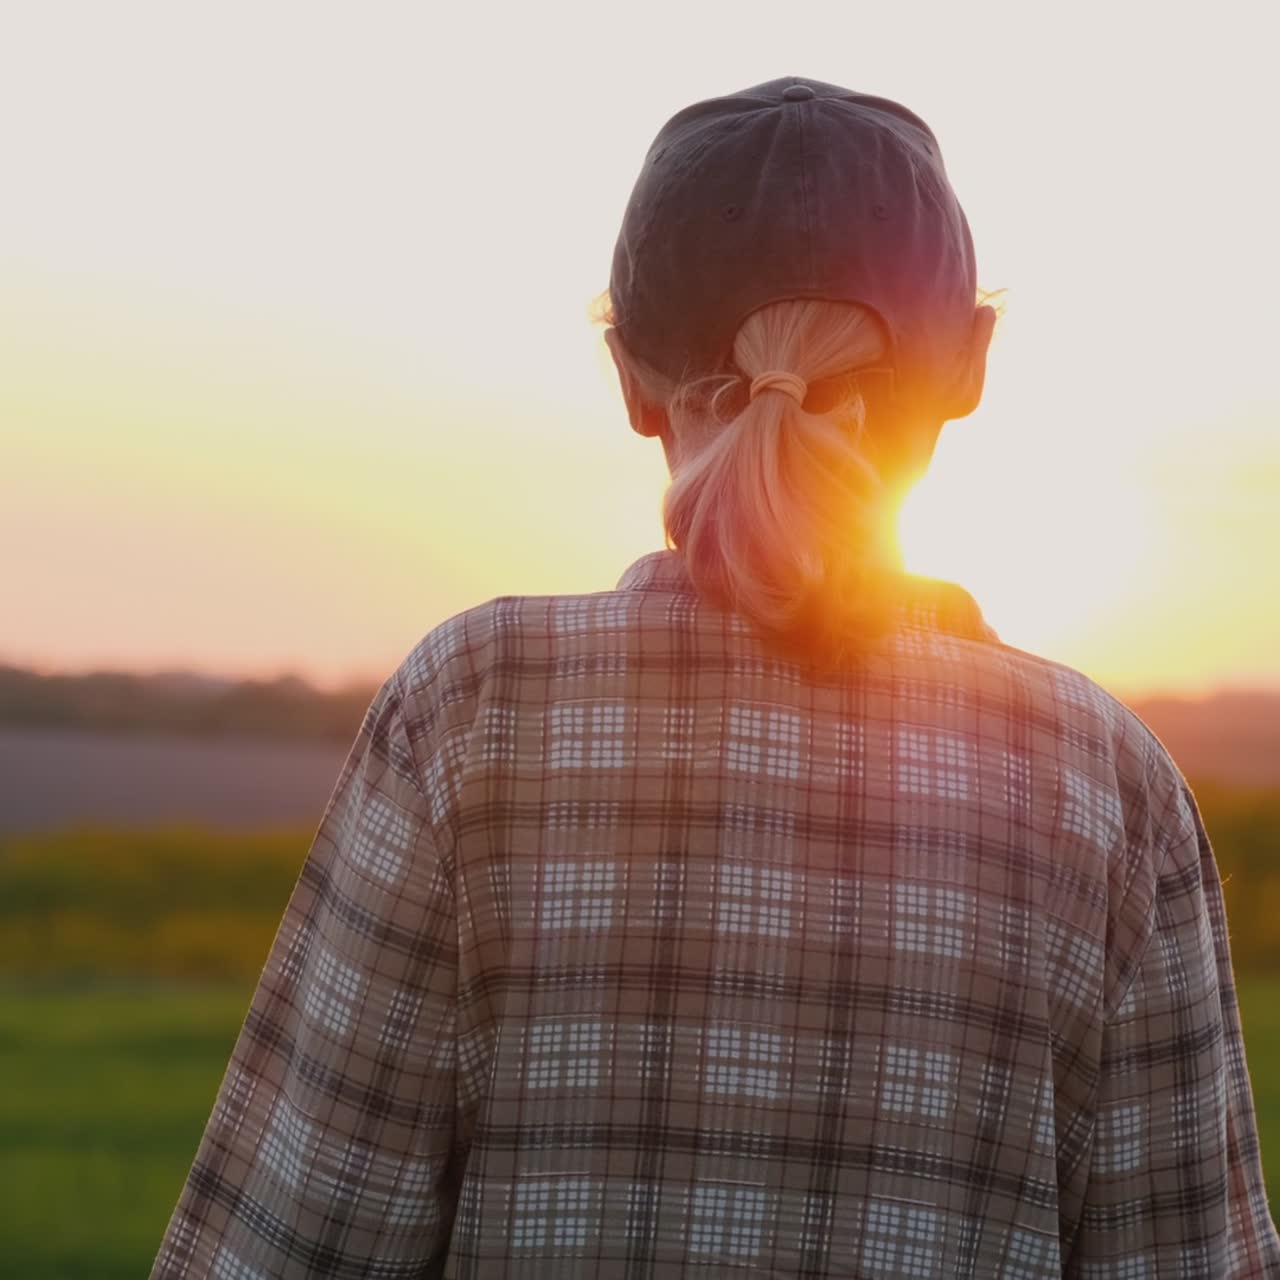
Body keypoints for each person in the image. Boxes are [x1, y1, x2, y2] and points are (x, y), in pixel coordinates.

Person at [151, 76, 1279, 1278]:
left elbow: (291, 1242)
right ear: (970, 369)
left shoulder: (471, 710)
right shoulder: (1106, 783)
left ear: (630, 376)